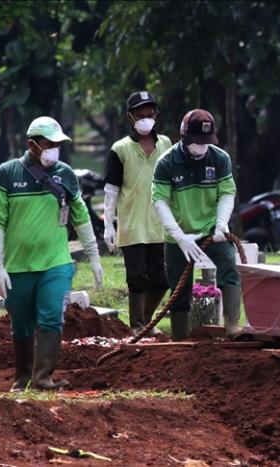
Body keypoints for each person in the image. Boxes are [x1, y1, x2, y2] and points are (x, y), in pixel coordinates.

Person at [0, 116, 104, 391]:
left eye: (57, 144)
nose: (54, 149)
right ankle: (23, 378)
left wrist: (94, 256)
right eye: (48, 144)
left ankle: (43, 378)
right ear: (32, 144)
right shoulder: (6, 174)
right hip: (17, 266)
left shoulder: (65, 174)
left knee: (52, 315)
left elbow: (81, 217)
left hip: (56, 263)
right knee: (22, 323)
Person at [151, 109, 241, 340]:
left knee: (230, 267)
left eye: (206, 143)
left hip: (212, 229)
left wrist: (222, 224)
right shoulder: (166, 163)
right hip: (178, 233)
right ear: (185, 138)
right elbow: (160, 202)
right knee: (178, 289)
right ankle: (181, 338)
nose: (202, 148)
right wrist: (179, 237)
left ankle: (232, 326)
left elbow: (227, 193)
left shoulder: (220, 158)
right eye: (197, 143)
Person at [103, 91, 173, 335]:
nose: (146, 119)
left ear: (156, 115)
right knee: (137, 279)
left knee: (162, 279)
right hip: (132, 224)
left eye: (150, 114)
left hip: (159, 223)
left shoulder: (165, 144)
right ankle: (137, 326)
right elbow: (111, 189)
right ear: (130, 118)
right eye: (140, 115)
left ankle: (145, 320)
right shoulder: (120, 149)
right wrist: (108, 224)